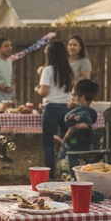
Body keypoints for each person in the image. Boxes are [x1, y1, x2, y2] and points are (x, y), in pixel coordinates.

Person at [35, 39, 74, 176]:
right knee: (66, 142)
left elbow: (44, 92)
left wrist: (37, 89)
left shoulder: (48, 70)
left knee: (48, 143)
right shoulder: (69, 70)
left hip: (51, 108)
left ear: (50, 54)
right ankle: (67, 172)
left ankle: (50, 175)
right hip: (67, 108)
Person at [56, 78, 100, 168]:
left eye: (74, 95)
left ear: (82, 97)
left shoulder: (81, 113)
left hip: (72, 148)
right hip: (85, 148)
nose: (72, 98)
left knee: (70, 168)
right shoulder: (89, 112)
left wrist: (64, 141)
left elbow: (78, 127)